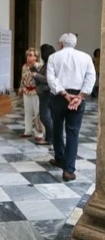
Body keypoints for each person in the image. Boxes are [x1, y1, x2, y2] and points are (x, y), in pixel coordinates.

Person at [47, 33, 96, 181]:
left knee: (57, 128)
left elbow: (51, 78)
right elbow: (91, 77)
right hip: (77, 98)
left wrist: (64, 94)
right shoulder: (86, 57)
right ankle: (68, 170)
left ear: (61, 44)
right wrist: (80, 96)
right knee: (73, 132)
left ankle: (59, 158)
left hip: (59, 97)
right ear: (74, 44)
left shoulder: (54, 57)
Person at [31, 44, 56, 145]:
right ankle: (50, 137)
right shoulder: (47, 63)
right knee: (46, 117)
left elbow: (47, 79)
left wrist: (36, 74)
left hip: (46, 93)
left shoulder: (50, 64)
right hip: (43, 92)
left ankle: (50, 138)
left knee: (44, 117)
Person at [18, 48, 43, 142]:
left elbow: (41, 80)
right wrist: (21, 88)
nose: (29, 57)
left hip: (36, 92)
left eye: (31, 55)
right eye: (28, 55)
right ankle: (27, 131)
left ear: (36, 57)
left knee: (37, 113)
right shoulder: (24, 67)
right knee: (27, 112)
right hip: (26, 91)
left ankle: (39, 133)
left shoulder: (40, 66)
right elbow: (22, 79)